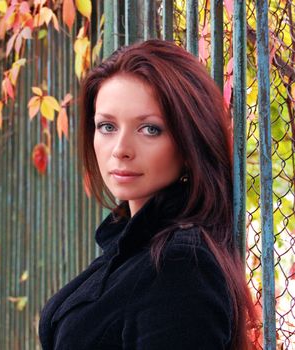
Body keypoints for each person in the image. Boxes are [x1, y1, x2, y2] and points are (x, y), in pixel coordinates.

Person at [38, 39, 260, 349]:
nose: (120, 150)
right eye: (107, 126)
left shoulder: (181, 267)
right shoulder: (134, 243)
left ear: (189, 143)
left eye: (150, 129)